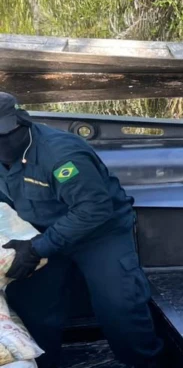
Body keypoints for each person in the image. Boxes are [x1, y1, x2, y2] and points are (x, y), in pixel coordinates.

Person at [0, 92, 164, 368]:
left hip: (99, 235)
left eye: (5, 133)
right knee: (31, 309)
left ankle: (146, 364)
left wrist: (37, 248)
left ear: (21, 122)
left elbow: (93, 210)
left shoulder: (61, 154)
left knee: (120, 309)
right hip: (38, 233)